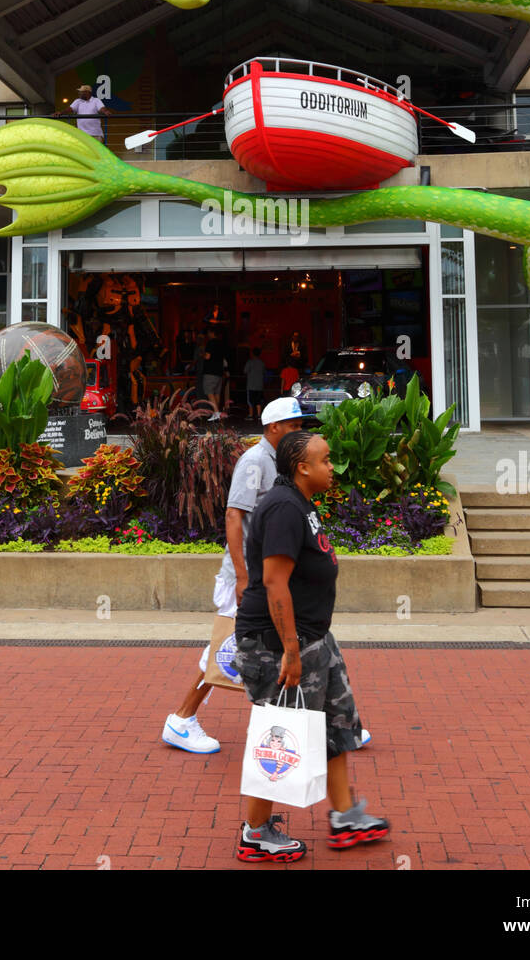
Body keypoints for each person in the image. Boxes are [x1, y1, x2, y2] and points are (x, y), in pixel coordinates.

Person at [233, 430, 388, 862]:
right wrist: (291, 652)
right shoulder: (283, 507)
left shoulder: (300, 504)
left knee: (337, 725)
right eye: (325, 460)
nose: (332, 466)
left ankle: (344, 817)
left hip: (314, 637)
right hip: (277, 644)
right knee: (277, 739)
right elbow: (274, 582)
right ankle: (256, 833)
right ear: (302, 467)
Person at [161, 398, 305, 754]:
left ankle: (330, 719)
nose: (300, 432)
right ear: (274, 428)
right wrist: (242, 578)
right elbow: (233, 516)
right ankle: (181, 719)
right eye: (294, 426)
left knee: (286, 642)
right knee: (224, 650)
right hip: (246, 578)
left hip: (265, 575)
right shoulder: (255, 461)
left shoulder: (281, 463)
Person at [202, 328, 230, 420]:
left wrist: (201, 355)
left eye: (208, 332)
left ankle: (216, 413)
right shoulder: (222, 344)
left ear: (212, 332)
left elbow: (207, 356)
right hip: (219, 372)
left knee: (209, 392)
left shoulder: (210, 343)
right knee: (217, 393)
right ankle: (216, 413)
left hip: (210, 371)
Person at [244, 346, 266, 420]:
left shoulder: (249, 362)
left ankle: (250, 415)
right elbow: (264, 372)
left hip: (251, 385)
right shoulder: (262, 363)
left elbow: (245, 371)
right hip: (259, 385)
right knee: (258, 401)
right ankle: (259, 415)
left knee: (250, 401)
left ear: (252, 354)